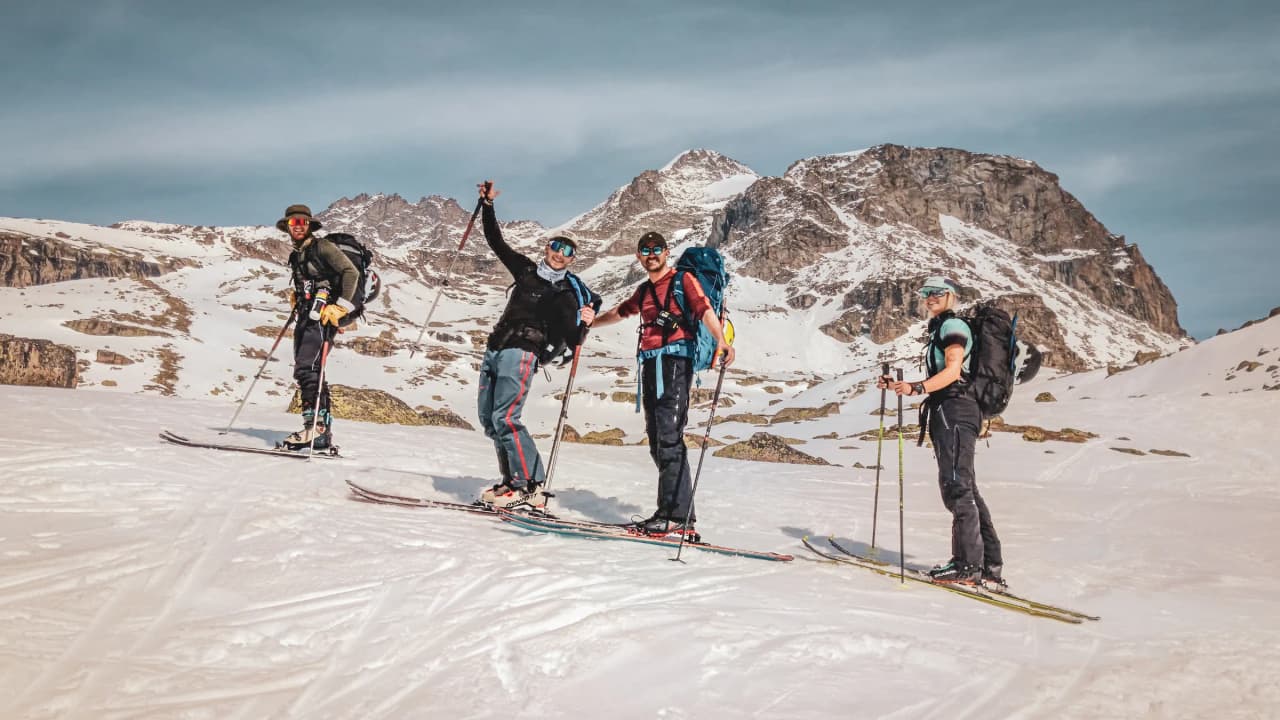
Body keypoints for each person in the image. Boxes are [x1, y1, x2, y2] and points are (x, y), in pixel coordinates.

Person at [591, 231, 734, 538]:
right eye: (645, 250)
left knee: (669, 438)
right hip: (650, 363)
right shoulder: (644, 290)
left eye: (657, 249)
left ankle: (675, 517)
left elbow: (704, 309)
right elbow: (620, 313)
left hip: (674, 362)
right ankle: (674, 513)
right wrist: (590, 323)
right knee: (657, 440)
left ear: (667, 252)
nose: (651, 254)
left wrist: (722, 341)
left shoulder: (683, 281)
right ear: (639, 256)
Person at [474, 181, 601, 509]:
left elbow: (573, 339)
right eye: (557, 246)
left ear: (572, 260)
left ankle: (530, 485)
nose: (560, 254)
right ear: (547, 247)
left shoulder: (564, 296)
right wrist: (487, 206)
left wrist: (584, 321)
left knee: (507, 417)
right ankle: (510, 482)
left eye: (568, 252)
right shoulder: (526, 271)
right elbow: (496, 242)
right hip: (496, 347)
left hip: (523, 353)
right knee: (490, 419)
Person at [880, 276, 1003, 587]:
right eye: (925, 293)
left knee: (957, 487)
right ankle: (988, 565)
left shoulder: (953, 327)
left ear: (951, 295)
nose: (929, 297)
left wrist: (916, 387)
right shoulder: (944, 327)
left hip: (955, 409)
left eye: (936, 292)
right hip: (955, 409)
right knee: (967, 487)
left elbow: (952, 371)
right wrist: (901, 385)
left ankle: (967, 566)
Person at [278, 204, 360, 450]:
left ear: (310, 225)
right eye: (293, 223)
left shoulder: (322, 247)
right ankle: (319, 430)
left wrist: (341, 307)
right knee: (309, 370)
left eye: (303, 222)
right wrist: (298, 296)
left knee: (308, 368)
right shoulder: (297, 254)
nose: (298, 226)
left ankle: (316, 430)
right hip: (306, 314)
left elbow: (351, 272)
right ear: (288, 228)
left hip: (323, 316)